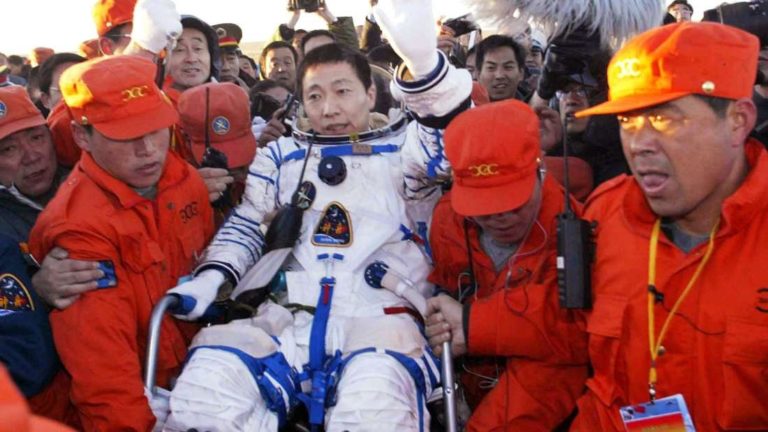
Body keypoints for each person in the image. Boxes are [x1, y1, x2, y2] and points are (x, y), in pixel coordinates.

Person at [163, 0, 473, 428]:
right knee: (206, 389)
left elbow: (448, 147)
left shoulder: (404, 152)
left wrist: (424, 67)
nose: (328, 109)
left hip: (381, 320)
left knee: (373, 409)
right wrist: (213, 276)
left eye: (342, 91)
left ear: (370, 93)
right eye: (314, 96)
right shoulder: (280, 157)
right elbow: (248, 226)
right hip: (288, 317)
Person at [572, 22, 768, 431]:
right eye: (626, 120)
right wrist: (470, 321)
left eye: (662, 118)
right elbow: (562, 334)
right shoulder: (604, 216)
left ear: (737, 120)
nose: (638, 144)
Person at [29, 55, 215, 431]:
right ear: (82, 136)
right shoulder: (77, 230)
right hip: (147, 400)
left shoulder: (184, 179)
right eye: (125, 136)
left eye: (155, 128)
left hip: (207, 375)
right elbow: (105, 379)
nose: (148, 149)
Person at [424, 100, 588, 431]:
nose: (499, 216)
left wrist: (471, 325)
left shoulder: (576, 234)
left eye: (513, 201)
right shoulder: (446, 220)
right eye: (482, 205)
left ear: (540, 170)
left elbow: (572, 338)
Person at [476, 35, 527, 102]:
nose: (499, 75)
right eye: (491, 68)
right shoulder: (466, 107)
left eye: (508, 67)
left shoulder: (533, 107)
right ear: (478, 75)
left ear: (521, 73)